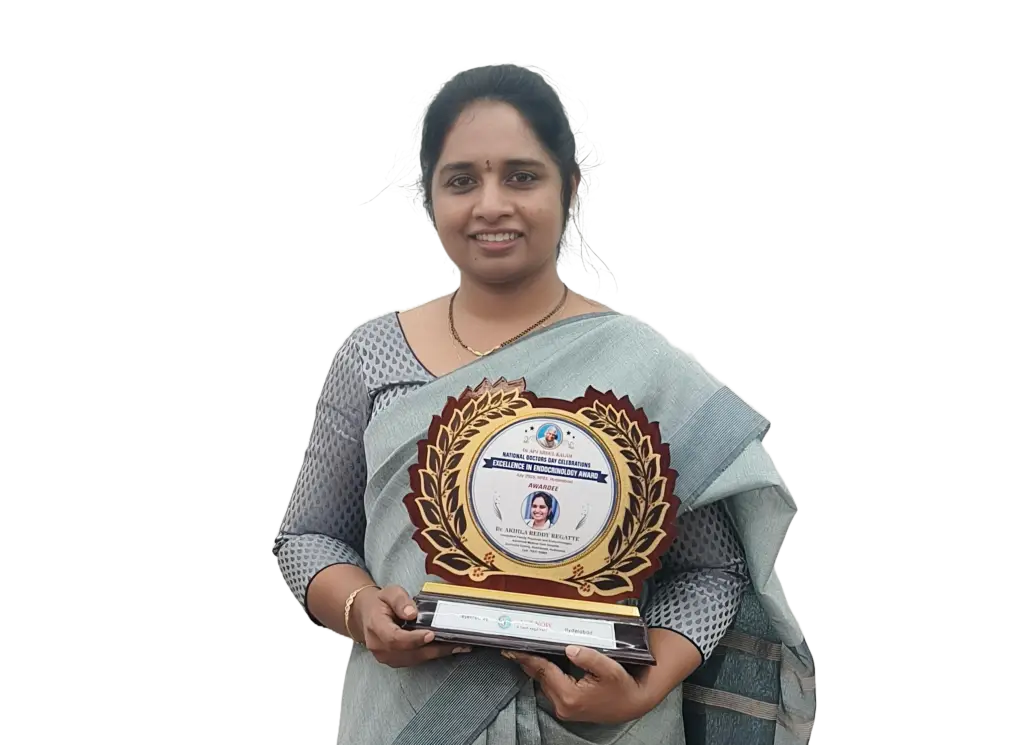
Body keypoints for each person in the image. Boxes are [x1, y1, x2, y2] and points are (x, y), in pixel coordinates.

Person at [273, 63, 815, 745]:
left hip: (606, 729)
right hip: (414, 719)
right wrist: (358, 609)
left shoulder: (645, 365)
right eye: (462, 179)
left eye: (522, 176)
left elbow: (710, 571)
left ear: (572, 187)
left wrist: (643, 684)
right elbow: (309, 536)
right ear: (430, 194)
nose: (491, 203)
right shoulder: (373, 356)